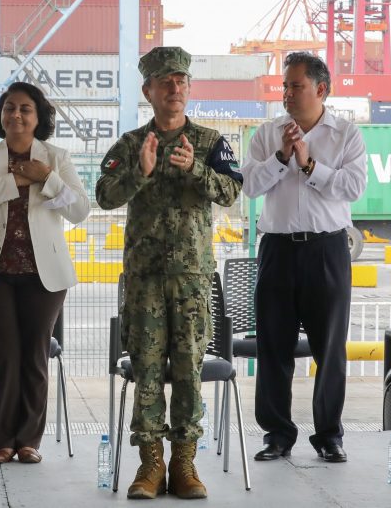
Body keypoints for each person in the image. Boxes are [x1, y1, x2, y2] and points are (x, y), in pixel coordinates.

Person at [96, 47, 243, 500]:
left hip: (192, 281)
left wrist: (196, 170)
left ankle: (184, 463)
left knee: (188, 371)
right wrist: (140, 172)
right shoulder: (130, 143)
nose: (174, 88)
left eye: (180, 80)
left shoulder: (211, 141)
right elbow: (103, 195)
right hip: (145, 281)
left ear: (188, 88)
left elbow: (232, 193)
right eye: (165, 82)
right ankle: (149, 465)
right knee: (146, 371)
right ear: (149, 91)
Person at [0, 82, 90, 465]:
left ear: (39, 116)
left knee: (34, 355)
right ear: (0, 116)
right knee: (2, 355)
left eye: (25, 109)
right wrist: (14, 180)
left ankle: (29, 440)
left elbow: (79, 211)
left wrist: (46, 178)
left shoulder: (57, 158)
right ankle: (0, 441)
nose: (16, 115)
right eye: (9, 108)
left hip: (43, 275)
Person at [241, 51, 366, 465]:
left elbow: (352, 188)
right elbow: (249, 186)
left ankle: (329, 435)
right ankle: (277, 434)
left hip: (327, 249)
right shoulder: (265, 133)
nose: (287, 94)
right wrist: (281, 157)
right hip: (277, 250)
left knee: (330, 348)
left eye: (296, 86)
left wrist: (309, 163)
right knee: (273, 346)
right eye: (285, 86)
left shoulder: (346, 135)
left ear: (321, 89)